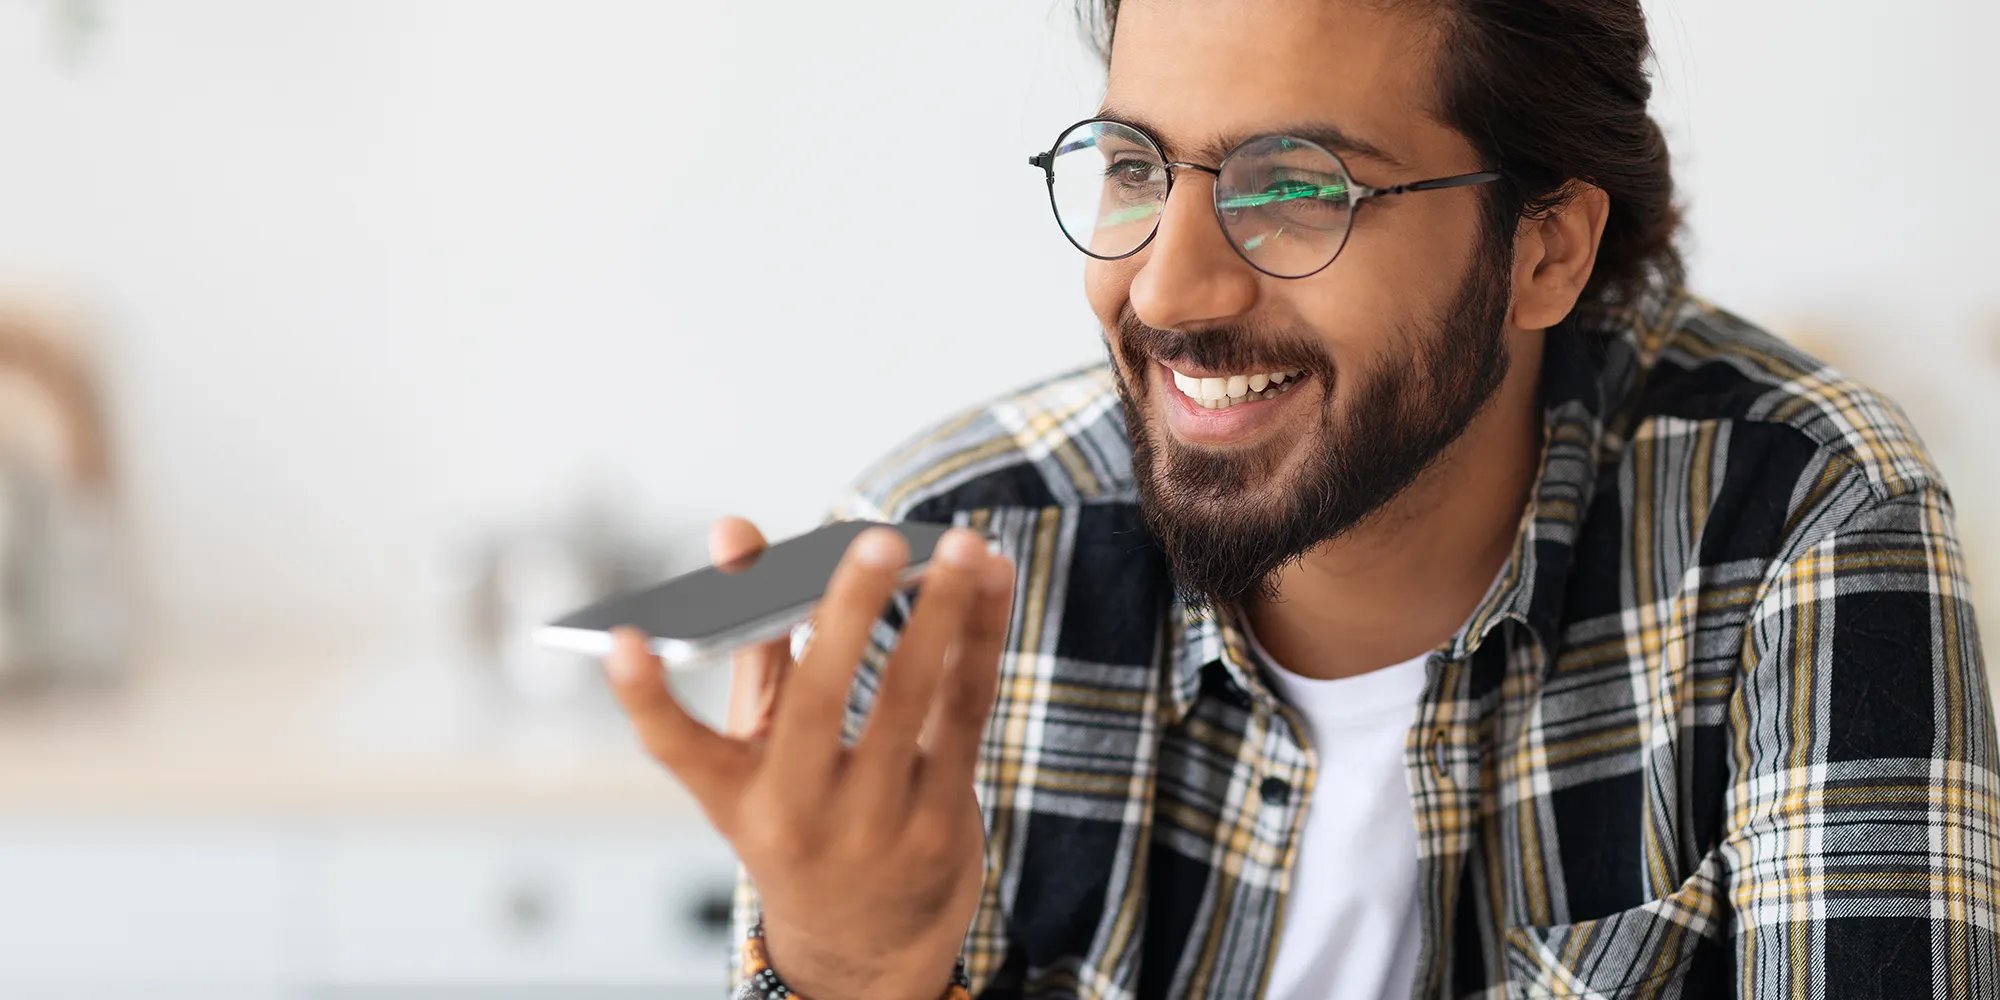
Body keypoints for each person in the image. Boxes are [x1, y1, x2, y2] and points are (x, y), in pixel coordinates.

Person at [601, 0, 2000, 996]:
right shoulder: (940, 549)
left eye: (1297, 188)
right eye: (1139, 167)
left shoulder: (1802, 524)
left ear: (1546, 251)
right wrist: (859, 976)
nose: (1165, 288)